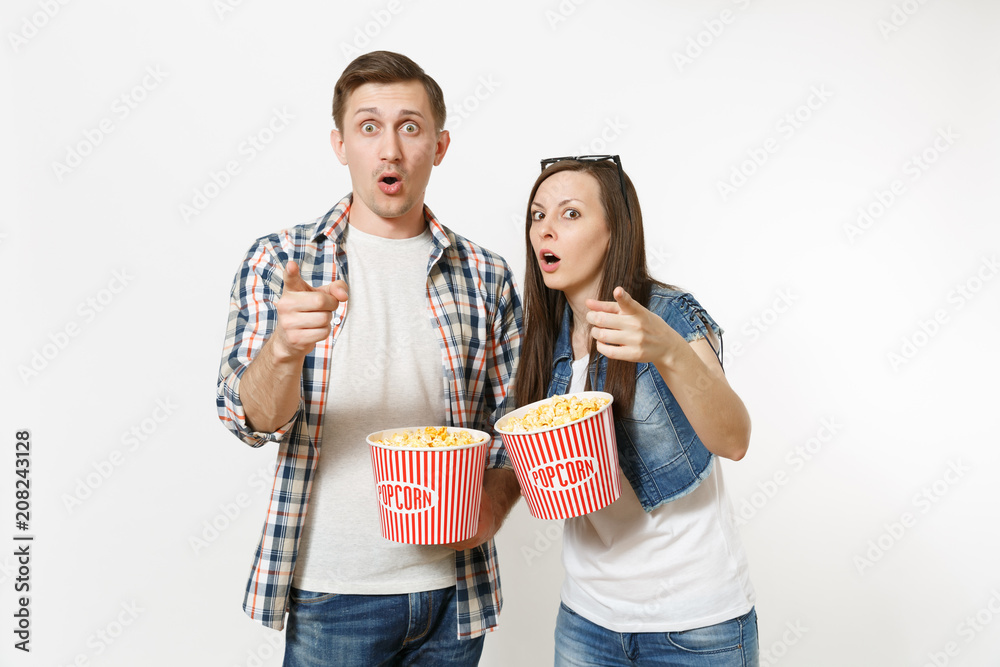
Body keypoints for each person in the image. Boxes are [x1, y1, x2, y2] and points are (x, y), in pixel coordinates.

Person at [215, 51, 522, 666]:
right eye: (368, 127)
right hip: (333, 593)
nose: (390, 150)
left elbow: (517, 422)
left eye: (410, 127)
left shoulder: (486, 274)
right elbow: (250, 421)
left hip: (454, 594)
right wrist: (283, 351)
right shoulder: (280, 260)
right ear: (340, 144)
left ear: (439, 146)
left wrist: (495, 502)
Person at [515, 155, 758, 666]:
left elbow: (734, 439)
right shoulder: (545, 336)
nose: (546, 230)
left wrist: (668, 351)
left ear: (615, 231)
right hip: (587, 620)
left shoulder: (667, 314)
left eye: (570, 213)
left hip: (695, 626)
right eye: (538, 215)